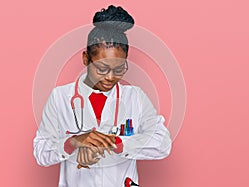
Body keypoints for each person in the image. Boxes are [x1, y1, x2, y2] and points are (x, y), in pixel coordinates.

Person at [33, 5, 172, 187]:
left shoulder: (135, 98)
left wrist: (116, 142)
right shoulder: (60, 98)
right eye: (102, 68)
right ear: (85, 58)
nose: (110, 77)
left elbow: (162, 143)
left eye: (119, 69)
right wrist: (72, 143)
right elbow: (41, 151)